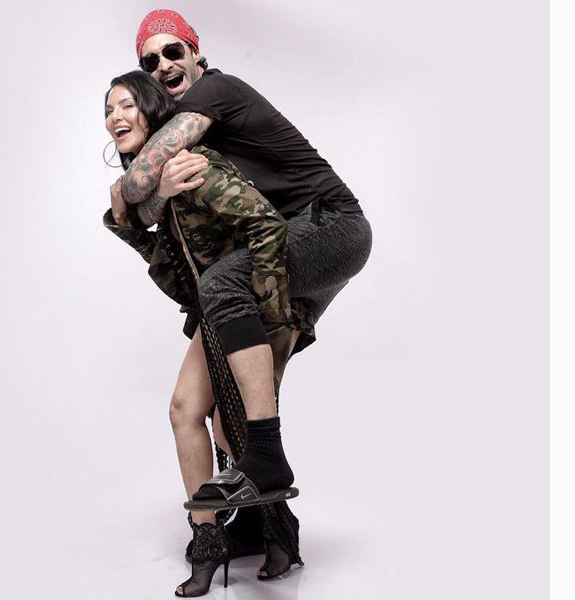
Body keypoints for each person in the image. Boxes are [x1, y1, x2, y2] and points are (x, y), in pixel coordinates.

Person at [120, 9, 372, 521]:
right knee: (232, 401)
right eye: (150, 61)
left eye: (173, 51)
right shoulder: (193, 132)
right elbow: (147, 206)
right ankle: (267, 531)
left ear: (195, 53)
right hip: (292, 243)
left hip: (330, 224)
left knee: (221, 282)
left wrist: (129, 188)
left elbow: (141, 179)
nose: (163, 64)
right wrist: (149, 195)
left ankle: (266, 454)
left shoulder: (215, 91)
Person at [103, 70, 313, 597]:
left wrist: (272, 310)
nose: (115, 118)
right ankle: (208, 538)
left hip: (249, 303)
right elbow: (176, 273)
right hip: (213, 310)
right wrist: (131, 222)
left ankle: (276, 530)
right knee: (184, 411)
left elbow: (267, 225)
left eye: (126, 105)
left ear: (153, 111)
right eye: (108, 111)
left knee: (228, 423)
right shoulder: (159, 186)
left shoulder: (194, 164)